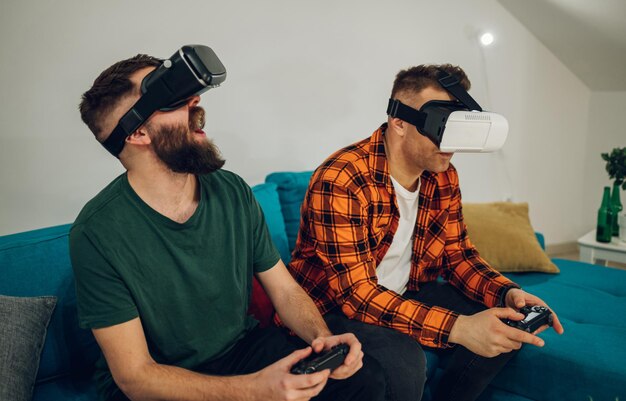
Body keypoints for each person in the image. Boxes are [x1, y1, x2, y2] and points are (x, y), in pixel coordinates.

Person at [70, 52, 386, 401]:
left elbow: (284, 290)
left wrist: (321, 339)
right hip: (162, 382)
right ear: (139, 132)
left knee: (364, 381)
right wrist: (254, 391)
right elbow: (136, 377)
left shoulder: (231, 190)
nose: (195, 101)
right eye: (172, 100)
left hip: (240, 350)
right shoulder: (96, 233)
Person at [287, 64, 565, 401]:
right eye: (440, 125)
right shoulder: (343, 178)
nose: (450, 143)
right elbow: (357, 295)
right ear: (399, 121)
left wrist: (506, 292)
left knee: (507, 323)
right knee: (406, 361)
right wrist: (459, 328)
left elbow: (458, 254)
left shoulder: (443, 176)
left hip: (406, 291)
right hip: (333, 306)